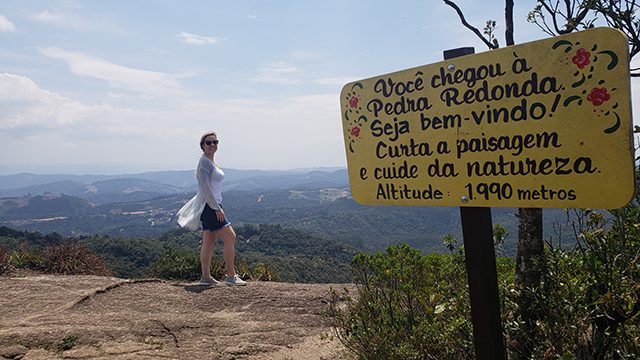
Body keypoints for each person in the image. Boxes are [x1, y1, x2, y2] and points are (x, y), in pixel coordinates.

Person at [177, 131, 247, 286]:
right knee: (230, 237)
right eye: (208, 142)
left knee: (208, 241)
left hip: (212, 205)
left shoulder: (209, 161)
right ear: (202, 146)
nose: (212, 145)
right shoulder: (204, 163)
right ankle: (230, 276)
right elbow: (205, 188)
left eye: (215, 142)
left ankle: (206, 277)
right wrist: (216, 208)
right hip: (210, 207)